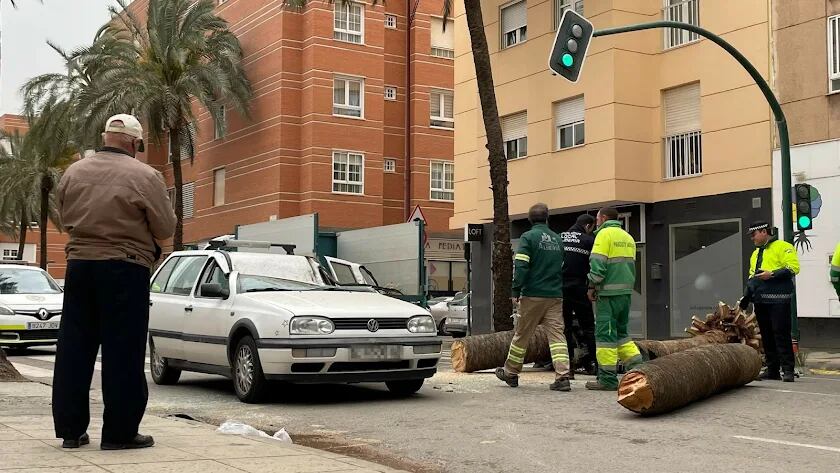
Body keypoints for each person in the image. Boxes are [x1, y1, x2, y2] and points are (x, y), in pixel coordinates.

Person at [53, 114, 176, 449]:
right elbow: (165, 227)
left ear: (105, 137)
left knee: (74, 349)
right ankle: (119, 433)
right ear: (135, 143)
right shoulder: (145, 175)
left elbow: (63, 217)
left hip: (79, 266)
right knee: (123, 351)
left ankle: (70, 430)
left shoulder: (74, 171)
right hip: (125, 267)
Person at [495, 203, 572, 392]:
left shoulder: (528, 237)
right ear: (547, 218)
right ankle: (563, 376)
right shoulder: (557, 239)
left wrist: (515, 290)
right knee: (557, 337)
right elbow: (562, 265)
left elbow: (521, 266)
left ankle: (511, 373)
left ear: (530, 220)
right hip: (554, 295)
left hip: (532, 295)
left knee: (522, 335)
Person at [585, 207, 642, 391]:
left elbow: (598, 266)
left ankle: (608, 379)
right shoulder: (628, 237)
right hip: (625, 295)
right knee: (621, 335)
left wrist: (591, 285)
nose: (596, 221)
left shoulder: (603, 236)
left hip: (608, 296)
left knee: (605, 337)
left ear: (602, 217)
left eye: (597, 218)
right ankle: (639, 368)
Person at [739, 222, 800, 383]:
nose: (752, 238)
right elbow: (752, 278)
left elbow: (793, 268)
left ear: (764, 232)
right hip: (760, 300)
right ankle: (772, 370)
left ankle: (788, 370)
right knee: (766, 335)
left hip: (778, 299)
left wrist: (771, 274)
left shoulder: (782, 246)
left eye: (754, 234)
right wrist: (746, 297)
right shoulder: (755, 254)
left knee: (781, 333)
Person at [560, 214, 597, 375]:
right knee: (588, 327)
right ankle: (594, 364)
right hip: (581, 288)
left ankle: (568, 369)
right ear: (588, 226)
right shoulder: (588, 240)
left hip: (560, 288)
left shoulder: (559, 237)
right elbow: (595, 264)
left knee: (565, 328)